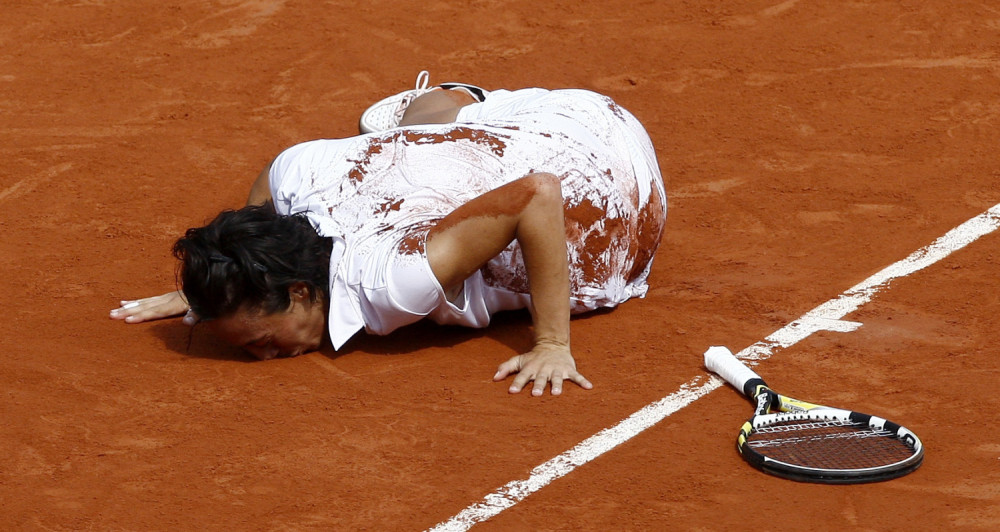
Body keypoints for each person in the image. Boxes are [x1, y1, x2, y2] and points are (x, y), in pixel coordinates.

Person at [110, 72, 667, 396]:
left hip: (618, 200)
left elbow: (540, 194)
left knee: (429, 159)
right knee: (399, 142)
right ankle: (453, 102)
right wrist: (215, 286)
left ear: (302, 292)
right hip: (550, 119)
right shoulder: (302, 174)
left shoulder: (389, 282)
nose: (264, 356)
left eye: (261, 338)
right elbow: (276, 172)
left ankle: (452, 104)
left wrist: (551, 344)